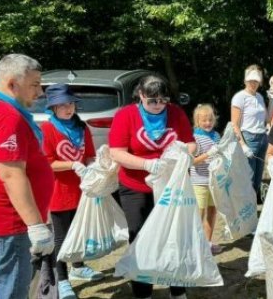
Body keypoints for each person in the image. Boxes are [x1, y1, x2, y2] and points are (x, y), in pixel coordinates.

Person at [0, 53, 55, 299]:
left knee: (9, 285)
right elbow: (11, 174)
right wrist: (36, 225)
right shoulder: (6, 115)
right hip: (10, 220)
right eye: (35, 85)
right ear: (12, 84)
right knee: (12, 289)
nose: (40, 93)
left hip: (2, 216)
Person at [109, 74, 196, 299]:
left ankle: (177, 290)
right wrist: (147, 163)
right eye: (152, 101)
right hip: (136, 187)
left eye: (162, 100)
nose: (158, 106)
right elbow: (116, 152)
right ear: (140, 96)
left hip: (171, 187)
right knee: (140, 238)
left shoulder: (176, 113)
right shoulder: (125, 115)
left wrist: (182, 156)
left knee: (174, 237)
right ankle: (143, 292)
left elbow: (190, 142)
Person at [41, 83, 103, 299]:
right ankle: (63, 279)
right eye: (62, 105)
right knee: (61, 238)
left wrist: (96, 165)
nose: (68, 108)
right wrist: (72, 165)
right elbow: (47, 162)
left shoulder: (82, 127)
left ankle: (78, 267)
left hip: (82, 190)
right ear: (53, 108)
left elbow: (89, 155)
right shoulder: (46, 129)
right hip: (58, 192)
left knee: (80, 232)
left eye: (71, 104)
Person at [231, 64, 268, 203]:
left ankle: (251, 208)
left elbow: (267, 119)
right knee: (249, 177)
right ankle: (246, 209)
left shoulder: (259, 97)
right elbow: (234, 124)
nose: (253, 83)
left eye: (256, 81)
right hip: (248, 138)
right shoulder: (239, 97)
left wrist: (272, 102)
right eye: (251, 80)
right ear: (245, 80)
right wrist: (243, 145)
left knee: (258, 178)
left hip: (262, 138)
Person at [190, 104, 223, 254]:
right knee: (199, 214)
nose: (208, 123)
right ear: (197, 121)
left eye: (210, 119)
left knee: (212, 212)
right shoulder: (195, 138)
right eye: (204, 120)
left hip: (214, 182)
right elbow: (192, 161)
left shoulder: (216, 136)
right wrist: (208, 154)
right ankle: (195, 246)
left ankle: (207, 243)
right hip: (199, 182)